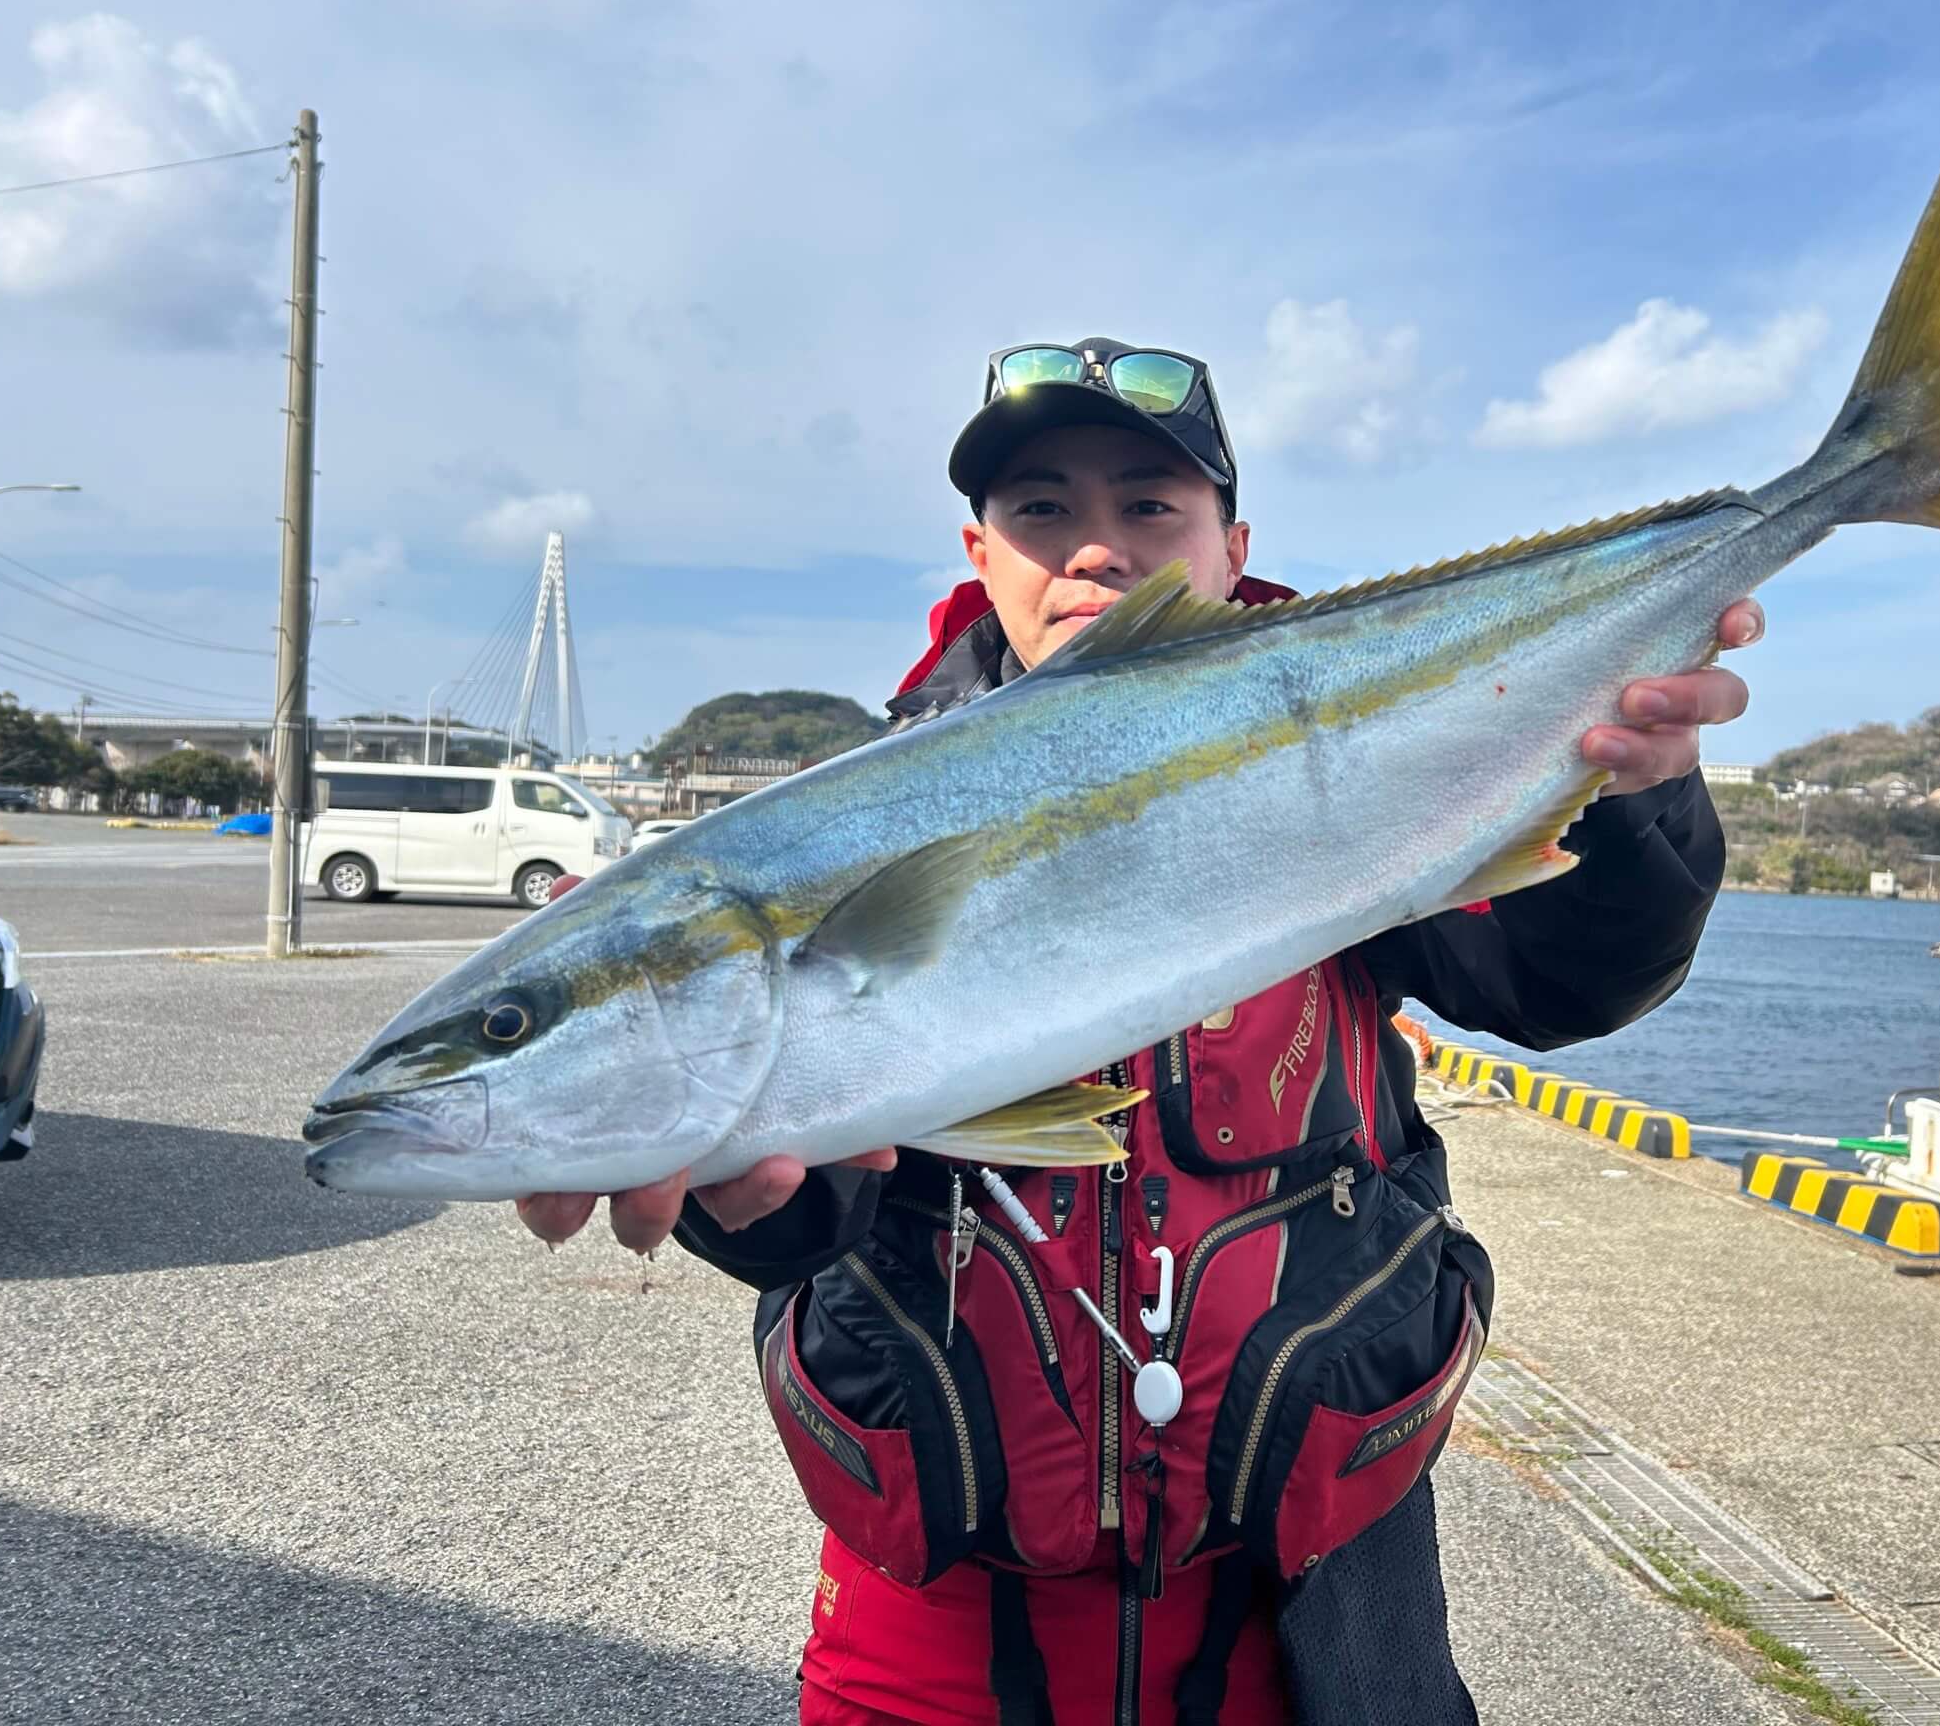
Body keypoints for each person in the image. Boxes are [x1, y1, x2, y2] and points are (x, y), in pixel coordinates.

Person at [516, 338, 1762, 1725]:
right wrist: (726, 1191)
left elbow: (1568, 986)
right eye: (1042, 511)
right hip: (937, 1614)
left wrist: (1640, 797)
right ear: (978, 552)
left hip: (1317, 1616)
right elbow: (810, 1233)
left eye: (1150, 509)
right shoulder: (846, 829)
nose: (1094, 552)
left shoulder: (1372, 764)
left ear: (1235, 547)